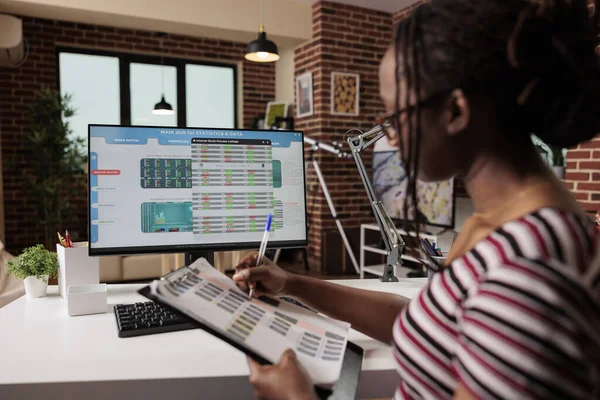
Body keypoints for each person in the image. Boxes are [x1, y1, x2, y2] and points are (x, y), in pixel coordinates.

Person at [233, 0, 600, 398]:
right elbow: (428, 322)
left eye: (395, 116)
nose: (389, 136)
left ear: (455, 111)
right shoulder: (497, 224)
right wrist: (292, 283)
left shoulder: (530, 271)